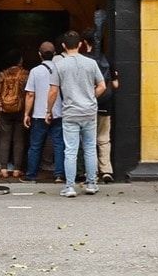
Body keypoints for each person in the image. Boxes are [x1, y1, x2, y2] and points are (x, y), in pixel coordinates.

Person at [48, 30, 105, 198]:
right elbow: (101, 85)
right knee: (89, 148)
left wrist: (48, 110)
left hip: (70, 112)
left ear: (64, 46)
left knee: (71, 150)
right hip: (89, 111)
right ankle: (92, 184)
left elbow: (53, 91)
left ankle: (70, 186)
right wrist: (90, 96)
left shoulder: (59, 65)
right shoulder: (91, 63)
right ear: (80, 44)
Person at [21, 40, 65, 184]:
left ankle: (31, 175)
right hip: (58, 112)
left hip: (39, 114)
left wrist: (26, 113)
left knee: (35, 145)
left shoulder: (35, 71)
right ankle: (59, 175)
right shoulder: (60, 69)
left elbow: (30, 94)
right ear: (54, 54)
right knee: (59, 144)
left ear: (39, 54)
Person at [80, 27, 120, 183]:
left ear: (84, 43)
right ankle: (106, 170)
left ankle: (91, 171)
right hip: (106, 102)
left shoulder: (83, 60)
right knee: (103, 138)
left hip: (87, 104)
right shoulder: (108, 59)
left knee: (88, 140)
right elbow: (116, 84)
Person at [0, 49, 28, 179]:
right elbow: (28, 93)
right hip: (21, 110)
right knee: (19, 139)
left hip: (4, 110)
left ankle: (3, 169)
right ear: (19, 61)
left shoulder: (2, 75)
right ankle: (17, 170)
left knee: (4, 139)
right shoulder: (25, 74)